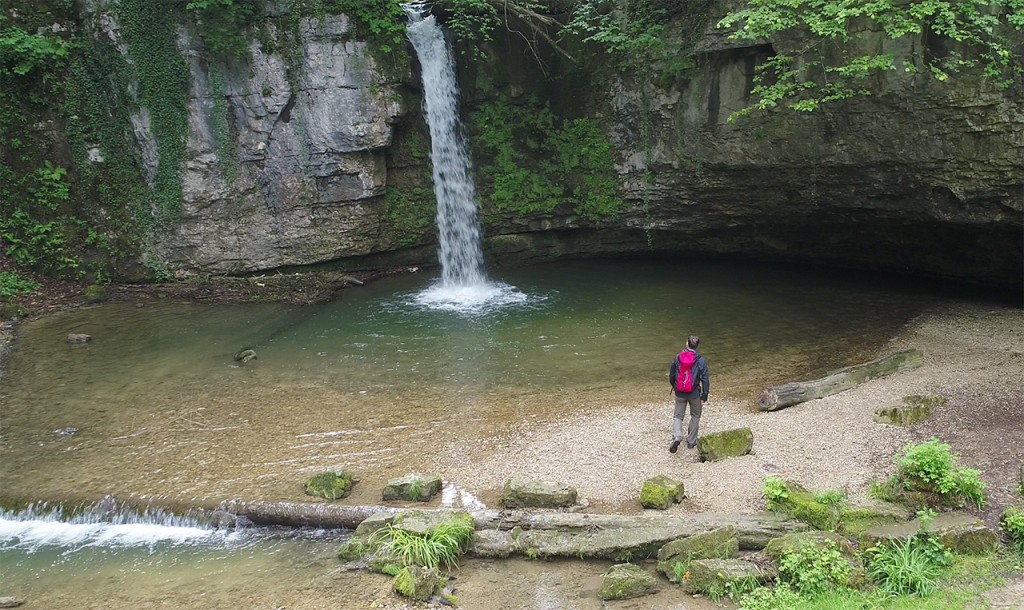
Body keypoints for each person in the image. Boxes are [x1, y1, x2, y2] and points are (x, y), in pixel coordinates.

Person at [668, 335, 709, 453]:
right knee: (695, 415)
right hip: (694, 393)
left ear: (687, 343)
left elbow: (672, 375)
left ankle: (677, 436)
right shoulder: (700, 360)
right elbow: (705, 379)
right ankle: (691, 442)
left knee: (678, 416)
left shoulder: (678, 357)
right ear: (697, 346)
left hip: (680, 392)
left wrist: (675, 386)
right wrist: (704, 396)